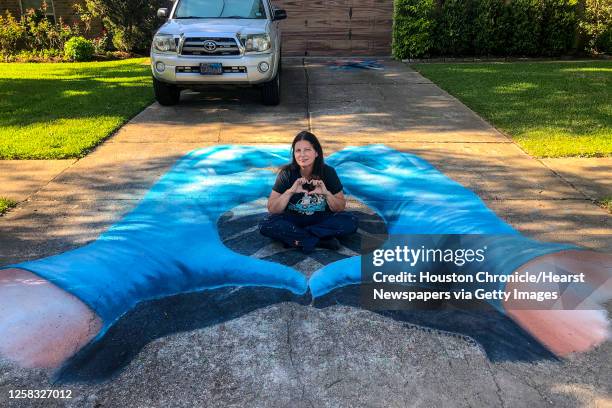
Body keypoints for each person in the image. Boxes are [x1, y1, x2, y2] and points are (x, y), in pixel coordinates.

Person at [259, 131, 359, 253]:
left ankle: (299, 238)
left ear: (316, 152)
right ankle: (321, 240)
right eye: (298, 150)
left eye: (307, 150)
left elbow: (340, 207)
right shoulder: (287, 173)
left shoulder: (328, 172)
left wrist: (326, 193)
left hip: (321, 219)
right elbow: (272, 208)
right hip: (293, 220)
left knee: (351, 221)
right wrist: (290, 191)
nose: (302, 155)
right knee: (266, 224)